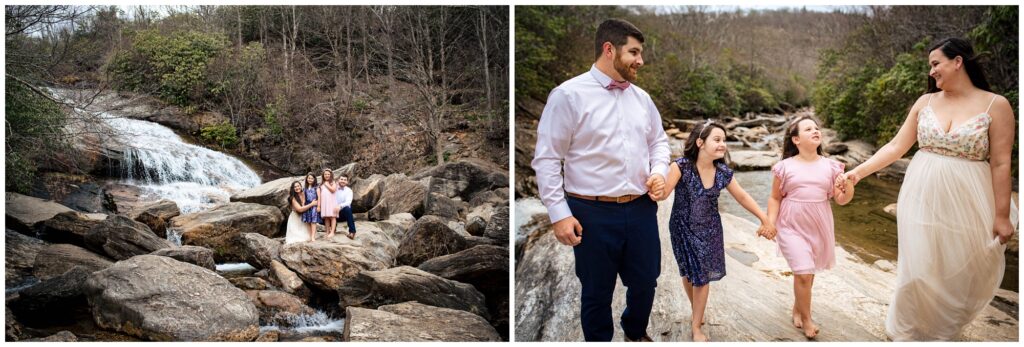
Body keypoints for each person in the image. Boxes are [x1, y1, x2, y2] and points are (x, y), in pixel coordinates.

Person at [841, 37, 1014, 341]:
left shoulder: (995, 105)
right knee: (918, 265)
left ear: (957, 61)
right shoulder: (925, 102)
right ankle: (906, 332)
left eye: (936, 64)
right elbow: (896, 146)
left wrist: (1002, 215)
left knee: (959, 270)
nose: (932, 71)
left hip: (969, 199)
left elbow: (1001, 163)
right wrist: (857, 173)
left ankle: (943, 334)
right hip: (921, 192)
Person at [531, 18, 669, 342]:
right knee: (596, 292)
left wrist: (659, 171)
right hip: (590, 212)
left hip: (640, 209)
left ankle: (635, 333)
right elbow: (548, 157)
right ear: (609, 50)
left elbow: (659, 142)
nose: (640, 60)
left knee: (647, 281)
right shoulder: (568, 95)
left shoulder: (643, 99)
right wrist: (559, 213)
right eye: (634, 52)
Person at [657, 121, 773, 342]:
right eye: (717, 140)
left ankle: (696, 326)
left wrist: (764, 217)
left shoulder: (722, 172)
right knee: (688, 272)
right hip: (682, 228)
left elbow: (742, 197)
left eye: (724, 140)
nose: (723, 145)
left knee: (702, 277)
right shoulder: (680, 167)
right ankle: (697, 312)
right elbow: (664, 193)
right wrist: (653, 185)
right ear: (700, 143)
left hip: (710, 230)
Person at [767, 116, 854, 339]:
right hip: (790, 226)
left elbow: (841, 199)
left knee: (808, 273)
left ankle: (798, 308)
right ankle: (807, 319)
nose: (815, 131)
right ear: (796, 139)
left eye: (816, 128)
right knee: (804, 273)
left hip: (819, 225)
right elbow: (775, 198)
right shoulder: (784, 167)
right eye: (808, 129)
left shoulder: (832, 166)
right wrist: (770, 222)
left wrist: (849, 186)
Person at [334, 175, 357, 239]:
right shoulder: (334, 188)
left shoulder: (349, 190)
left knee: (347, 208)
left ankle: (352, 232)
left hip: (342, 213)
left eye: (345, 180)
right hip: (333, 212)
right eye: (341, 179)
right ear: (338, 180)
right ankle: (332, 228)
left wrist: (340, 206)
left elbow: (348, 202)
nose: (343, 181)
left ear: (347, 182)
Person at [301, 173, 323, 241]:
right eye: (309, 178)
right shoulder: (305, 188)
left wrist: (319, 206)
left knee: (313, 221)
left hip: (314, 206)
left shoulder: (316, 187)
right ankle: (310, 235)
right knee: (308, 221)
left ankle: (313, 236)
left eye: (312, 178)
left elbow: (319, 197)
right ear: (307, 179)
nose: (310, 180)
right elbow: (304, 198)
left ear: (314, 179)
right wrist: (303, 205)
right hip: (307, 206)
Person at [318, 169, 339, 238]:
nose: (327, 175)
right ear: (323, 176)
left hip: (332, 202)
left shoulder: (333, 182)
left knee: (332, 217)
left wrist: (327, 184)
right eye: (325, 174)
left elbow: (333, 190)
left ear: (331, 175)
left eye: (328, 174)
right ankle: (327, 232)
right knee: (326, 217)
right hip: (324, 202)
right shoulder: (321, 184)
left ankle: (332, 231)